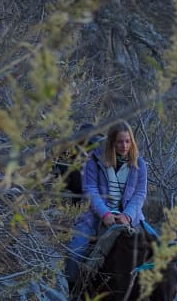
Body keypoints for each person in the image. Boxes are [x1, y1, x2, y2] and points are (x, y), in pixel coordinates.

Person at [63, 124, 148, 290]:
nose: (124, 146)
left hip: (129, 216)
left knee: (159, 249)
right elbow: (90, 190)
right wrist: (105, 214)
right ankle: (72, 290)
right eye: (119, 142)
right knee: (75, 251)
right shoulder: (95, 160)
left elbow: (140, 194)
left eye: (127, 141)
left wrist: (127, 216)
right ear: (111, 142)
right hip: (96, 214)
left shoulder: (140, 164)